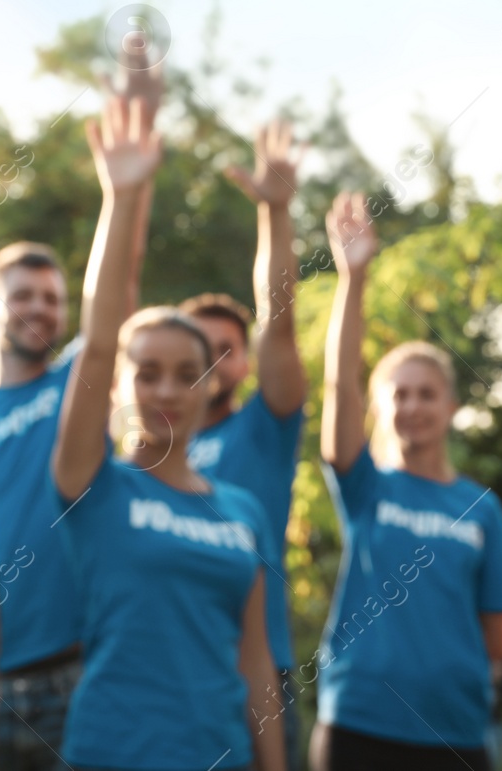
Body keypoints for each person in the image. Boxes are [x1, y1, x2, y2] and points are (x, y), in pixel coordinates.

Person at [49, 95, 285, 771]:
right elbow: (96, 343)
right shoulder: (92, 481)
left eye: (186, 373)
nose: (165, 389)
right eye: (146, 372)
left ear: (209, 384)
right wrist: (121, 198)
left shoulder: (240, 510)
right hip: (110, 752)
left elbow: (256, 660)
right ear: (119, 384)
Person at [0, 46, 159, 770]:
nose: (41, 309)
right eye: (24, 296)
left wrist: (135, 152)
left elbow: (118, 290)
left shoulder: (75, 384)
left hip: (81, 671)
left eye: (54, 298)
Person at [312, 191, 502, 771]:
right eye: (397, 394)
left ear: (451, 407)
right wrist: (353, 278)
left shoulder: (481, 509)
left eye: (426, 393)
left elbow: (496, 636)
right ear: (379, 408)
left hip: (454, 732)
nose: (412, 406)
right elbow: (339, 388)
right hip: (358, 722)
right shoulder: (366, 485)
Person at [180, 118, 309, 767]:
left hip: (263, 675)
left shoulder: (263, 427)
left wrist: (275, 213)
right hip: (171, 678)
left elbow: (278, 319)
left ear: (246, 364)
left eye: (225, 348)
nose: (208, 362)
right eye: (194, 347)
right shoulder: (139, 456)